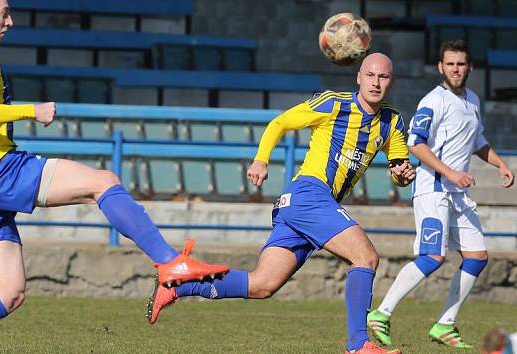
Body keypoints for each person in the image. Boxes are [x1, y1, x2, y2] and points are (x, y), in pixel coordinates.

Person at [0, 1, 228, 353]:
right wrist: (31, 111)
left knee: (10, 291)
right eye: (3, 13)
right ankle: (170, 263)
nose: (10, 21)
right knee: (103, 182)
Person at [146, 52, 416, 354]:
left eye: (383, 77)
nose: (375, 82)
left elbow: (398, 170)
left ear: (391, 81)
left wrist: (403, 176)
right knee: (365, 257)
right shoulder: (333, 104)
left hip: (300, 207)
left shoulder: (392, 122)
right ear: (358, 77)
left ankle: (180, 285)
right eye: (370, 75)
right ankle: (358, 345)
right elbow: (280, 122)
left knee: (262, 285)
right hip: (309, 195)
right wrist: (261, 160)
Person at [367, 40, 515, 349]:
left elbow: (477, 141)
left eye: (461, 64)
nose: (456, 69)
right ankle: (381, 314)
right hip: (434, 188)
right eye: (450, 64)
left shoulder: (473, 100)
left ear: (469, 67)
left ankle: (445, 325)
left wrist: (500, 163)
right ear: (440, 67)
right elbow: (415, 143)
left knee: (477, 257)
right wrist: (450, 173)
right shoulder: (433, 100)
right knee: (433, 256)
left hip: (457, 193)